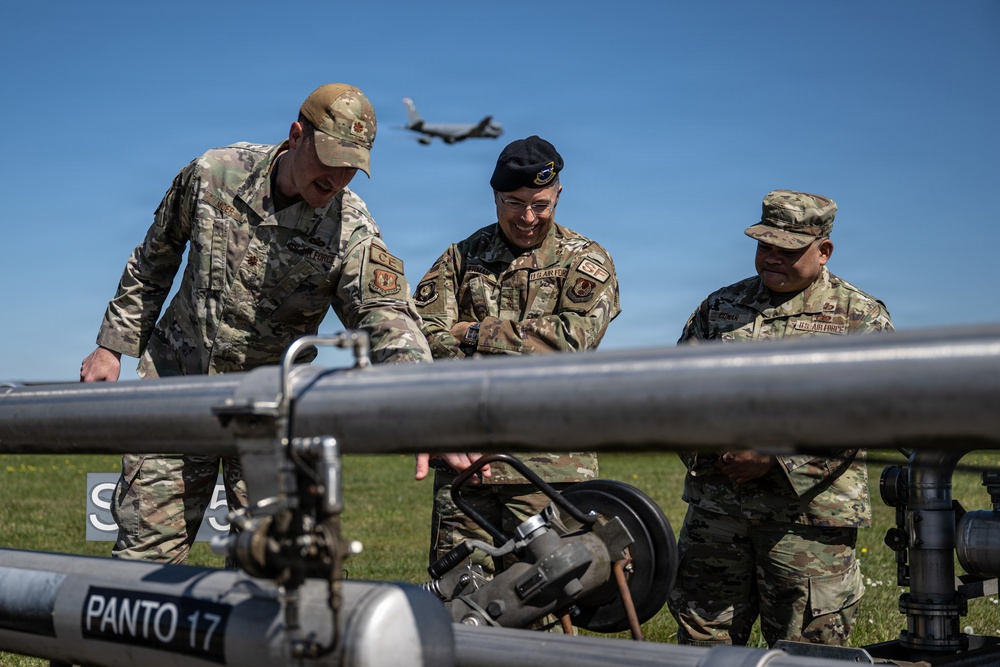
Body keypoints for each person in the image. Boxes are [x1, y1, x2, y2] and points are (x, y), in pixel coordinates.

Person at [80, 83, 432, 564]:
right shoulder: (213, 174)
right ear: (296, 135)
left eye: (353, 167)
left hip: (271, 413)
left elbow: (386, 315)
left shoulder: (351, 229)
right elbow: (154, 259)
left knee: (273, 569)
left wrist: (425, 398)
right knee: (145, 562)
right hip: (176, 390)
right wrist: (111, 346)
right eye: (330, 159)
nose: (337, 179)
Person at [667, 190, 893, 647]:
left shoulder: (860, 318)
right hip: (719, 514)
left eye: (786, 251)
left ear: (823, 250)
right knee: (702, 647)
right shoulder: (719, 309)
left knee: (806, 653)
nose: (770, 259)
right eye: (763, 246)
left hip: (806, 528)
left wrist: (776, 456)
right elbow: (675, 390)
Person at [411, 135, 621, 578]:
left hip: (550, 469)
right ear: (495, 196)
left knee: (543, 600)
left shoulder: (585, 262)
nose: (528, 218)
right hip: (469, 467)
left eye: (541, 204)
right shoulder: (461, 258)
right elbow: (422, 337)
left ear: (558, 194)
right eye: (514, 203)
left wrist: (473, 332)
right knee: (459, 595)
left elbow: (570, 343)